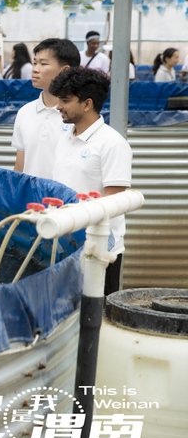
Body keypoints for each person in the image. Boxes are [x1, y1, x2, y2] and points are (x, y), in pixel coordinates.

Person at [49, 67, 132, 295]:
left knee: (97, 316)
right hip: (64, 243)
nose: (58, 107)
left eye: (65, 100)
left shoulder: (112, 143)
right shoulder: (65, 138)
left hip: (99, 250)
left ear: (87, 104)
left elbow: (114, 203)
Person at [11, 38, 80, 179]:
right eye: (35, 63)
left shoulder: (78, 115)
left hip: (64, 200)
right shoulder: (25, 112)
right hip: (30, 200)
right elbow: (20, 165)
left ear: (65, 70)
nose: (35, 69)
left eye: (43, 64)